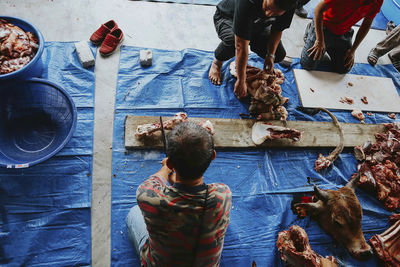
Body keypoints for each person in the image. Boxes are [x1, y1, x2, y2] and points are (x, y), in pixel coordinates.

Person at [126, 122, 232, 267]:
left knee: (133, 213)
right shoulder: (223, 194)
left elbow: (151, 183)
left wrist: (165, 169)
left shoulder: (149, 197)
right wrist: (176, 175)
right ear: (213, 156)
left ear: (171, 162)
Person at [208, 0, 298, 99]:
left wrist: (270, 56)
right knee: (233, 41)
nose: (268, 14)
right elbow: (240, 46)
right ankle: (217, 62)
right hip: (229, 17)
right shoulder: (247, 3)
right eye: (267, 8)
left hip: (258, 24)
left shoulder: (289, 3)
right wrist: (241, 81)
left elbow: (277, 30)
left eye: (275, 14)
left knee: (278, 54)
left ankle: (251, 40)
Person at [300, 0, 383, 73]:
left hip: (343, 31)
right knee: (308, 65)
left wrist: (352, 50)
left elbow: (367, 23)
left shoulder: (378, 1)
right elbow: (318, 9)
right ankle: (312, 28)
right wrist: (319, 40)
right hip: (324, 26)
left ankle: (328, 46)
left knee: (344, 68)